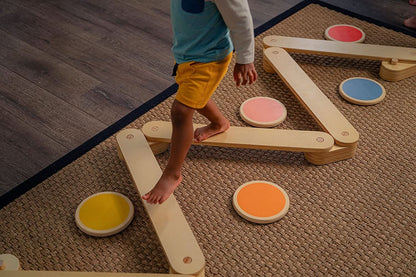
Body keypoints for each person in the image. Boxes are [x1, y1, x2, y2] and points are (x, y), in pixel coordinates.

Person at [142, 0, 258, 204]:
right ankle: (219, 123)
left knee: (181, 111)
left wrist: (245, 58)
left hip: (208, 59)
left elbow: (241, 20)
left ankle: (172, 174)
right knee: (195, 97)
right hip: (187, 54)